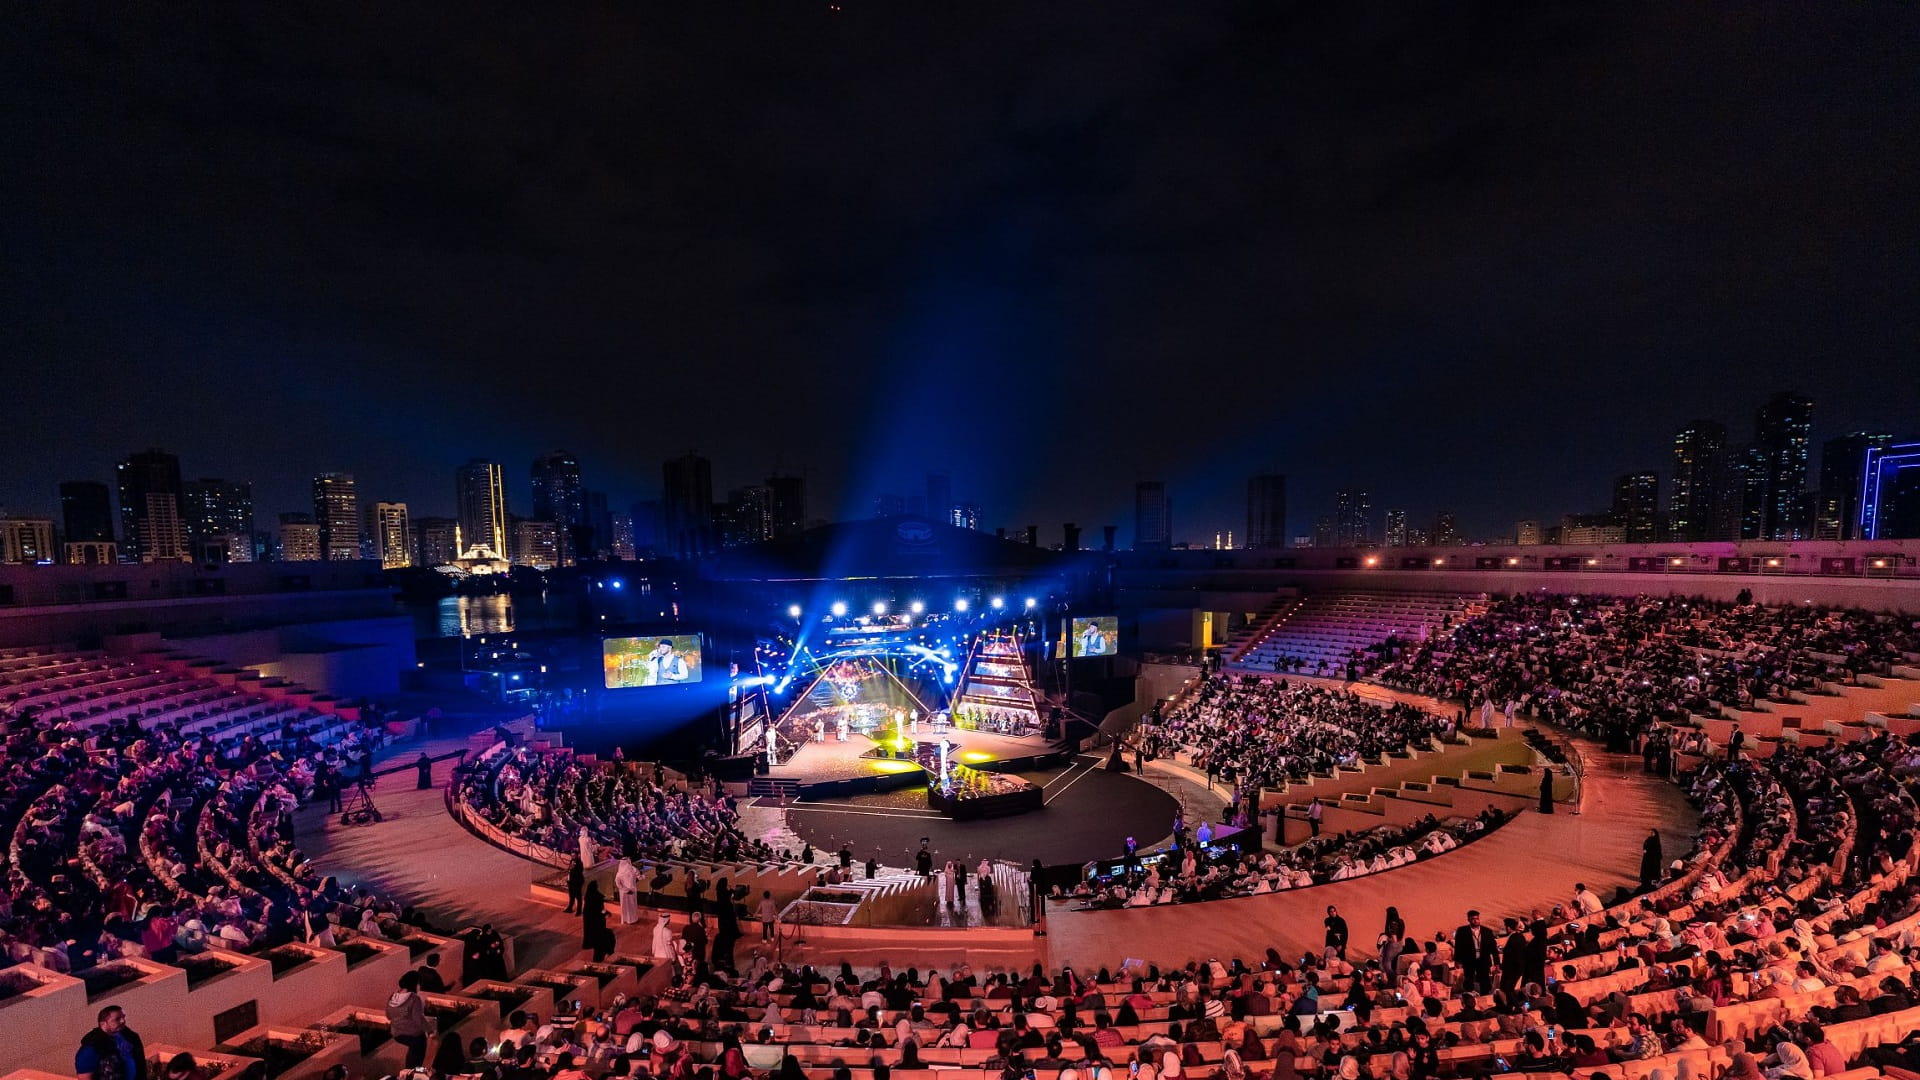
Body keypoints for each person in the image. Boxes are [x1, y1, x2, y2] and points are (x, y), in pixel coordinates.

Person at [76, 1005, 146, 1080]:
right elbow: (85, 1077)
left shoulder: (128, 1035)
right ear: (103, 1024)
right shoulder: (91, 1048)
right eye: (117, 1019)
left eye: (123, 1017)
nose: (123, 1021)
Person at [386, 972, 430, 1068]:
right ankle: (414, 1070)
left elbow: (388, 1015)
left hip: (396, 1033)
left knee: (413, 1048)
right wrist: (429, 1028)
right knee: (420, 1044)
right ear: (415, 984)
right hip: (411, 1033)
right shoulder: (414, 998)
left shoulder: (393, 996)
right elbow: (418, 1019)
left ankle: (409, 1069)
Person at [1454, 909, 1498, 994]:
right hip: (1469, 960)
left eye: (1477, 918)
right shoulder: (1462, 931)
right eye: (1473, 919)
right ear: (1469, 920)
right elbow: (1458, 946)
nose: (1475, 921)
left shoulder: (1487, 931)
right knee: (1468, 979)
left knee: (1484, 980)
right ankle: (1469, 996)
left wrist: (1497, 963)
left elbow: (1493, 948)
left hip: (1483, 960)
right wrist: (1457, 960)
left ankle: (1485, 996)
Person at [581, 881, 612, 962]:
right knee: (599, 935)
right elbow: (599, 909)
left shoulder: (588, 897)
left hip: (590, 920)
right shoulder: (596, 897)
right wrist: (606, 913)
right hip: (597, 920)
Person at [615, 856, 642, 925]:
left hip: (626, 892)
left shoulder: (620, 872)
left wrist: (626, 890)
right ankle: (631, 919)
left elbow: (618, 883)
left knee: (627, 906)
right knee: (630, 905)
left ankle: (628, 919)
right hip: (629, 891)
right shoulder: (633, 869)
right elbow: (640, 877)